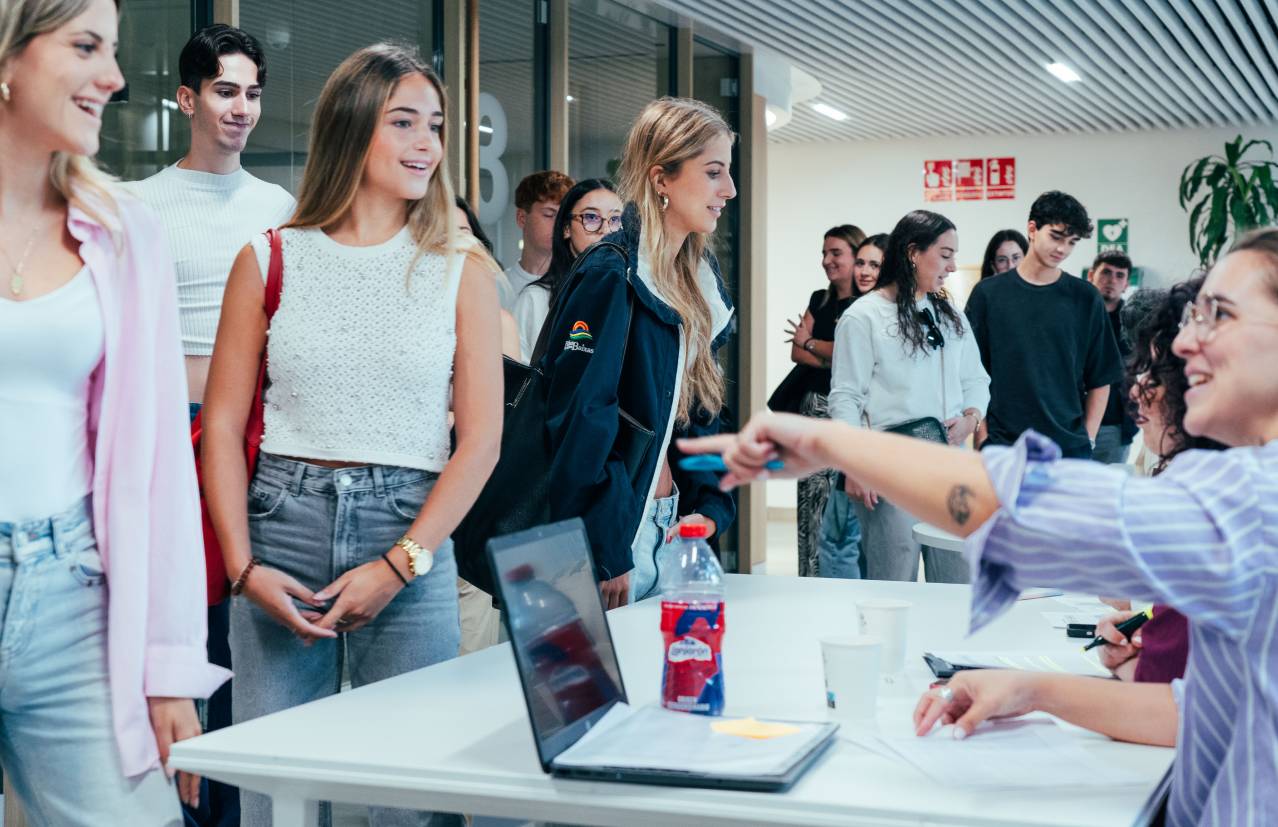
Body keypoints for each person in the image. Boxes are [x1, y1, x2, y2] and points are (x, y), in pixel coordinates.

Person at [683, 227, 1278, 824]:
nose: (1184, 344)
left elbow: (1019, 508)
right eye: (1194, 315)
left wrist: (831, 442)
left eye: (1218, 315)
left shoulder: (1256, 496)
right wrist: (1029, 688)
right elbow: (1197, 708)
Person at [202, 44, 501, 826]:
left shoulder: (461, 266)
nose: (426, 144)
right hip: (278, 534)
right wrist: (242, 570)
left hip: (411, 529)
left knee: (406, 798)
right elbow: (223, 426)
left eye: (434, 125)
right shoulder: (268, 256)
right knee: (272, 794)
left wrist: (401, 565)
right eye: (403, 122)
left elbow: (482, 443)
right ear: (351, 127)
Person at [0, 0, 230, 823]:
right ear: (8, 55)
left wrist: (169, 666)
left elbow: (162, 462)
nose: (115, 77)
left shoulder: (125, 230)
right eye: (86, 46)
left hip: (73, 594)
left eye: (115, 50)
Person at [125, 24, 293, 825]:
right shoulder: (138, 205)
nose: (242, 108)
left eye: (253, 92)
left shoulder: (281, 210)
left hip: (256, 441)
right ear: (187, 98)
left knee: (241, 628)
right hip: (166, 436)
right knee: (174, 627)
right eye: (225, 90)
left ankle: (231, 804)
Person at [541, 97, 737, 608]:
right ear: (661, 179)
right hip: (613, 541)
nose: (729, 191)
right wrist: (606, 546)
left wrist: (712, 502)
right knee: (602, 688)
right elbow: (582, 415)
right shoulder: (611, 275)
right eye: (714, 173)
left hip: (671, 530)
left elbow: (698, 412)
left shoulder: (697, 284)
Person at [828, 211, 988, 583]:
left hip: (951, 470)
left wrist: (971, 417)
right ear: (914, 252)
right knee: (892, 582)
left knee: (957, 581)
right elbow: (846, 398)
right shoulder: (863, 317)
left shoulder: (951, 317)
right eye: (945, 254)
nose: (951, 266)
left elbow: (977, 379)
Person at [965, 190, 1122, 459]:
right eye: (1056, 236)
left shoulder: (1085, 297)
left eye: (1072, 242)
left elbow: (1101, 378)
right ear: (1032, 229)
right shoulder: (988, 295)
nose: (1063, 249)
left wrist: (1088, 439)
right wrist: (983, 438)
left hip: (1069, 447)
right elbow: (971, 372)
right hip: (1003, 446)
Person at [782, 224, 865, 577]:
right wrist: (829, 355)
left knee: (843, 509)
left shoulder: (867, 306)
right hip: (812, 412)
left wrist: (813, 343)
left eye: (836, 253)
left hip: (847, 417)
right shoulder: (820, 298)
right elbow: (795, 354)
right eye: (825, 253)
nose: (827, 261)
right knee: (811, 505)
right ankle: (810, 579)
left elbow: (843, 353)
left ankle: (840, 581)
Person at [812, 232, 887, 580]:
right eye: (861, 262)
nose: (864, 271)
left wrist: (811, 344)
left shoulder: (867, 317)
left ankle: (845, 611)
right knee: (847, 538)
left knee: (842, 540)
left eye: (874, 264)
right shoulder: (856, 311)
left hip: (870, 440)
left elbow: (856, 387)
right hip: (854, 436)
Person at [513, 177, 623, 361]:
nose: (605, 230)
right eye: (591, 217)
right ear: (566, 228)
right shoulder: (536, 299)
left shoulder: (633, 296)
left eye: (615, 219)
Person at [495, 169, 574, 311]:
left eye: (564, 217)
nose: (559, 224)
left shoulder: (576, 284)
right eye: (549, 215)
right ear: (522, 218)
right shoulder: (497, 287)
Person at [1087, 250, 1139, 464]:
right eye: (1106, 272)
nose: (1112, 280)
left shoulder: (1134, 320)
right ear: (1091, 275)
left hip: (1116, 424)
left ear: (1127, 283)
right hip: (1075, 420)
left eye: (1120, 275)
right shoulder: (1077, 314)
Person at [455, 195, 519, 361]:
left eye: (463, 233)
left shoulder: (500, 324)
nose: (456, 244)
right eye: (442, 234)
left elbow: (511, 386)